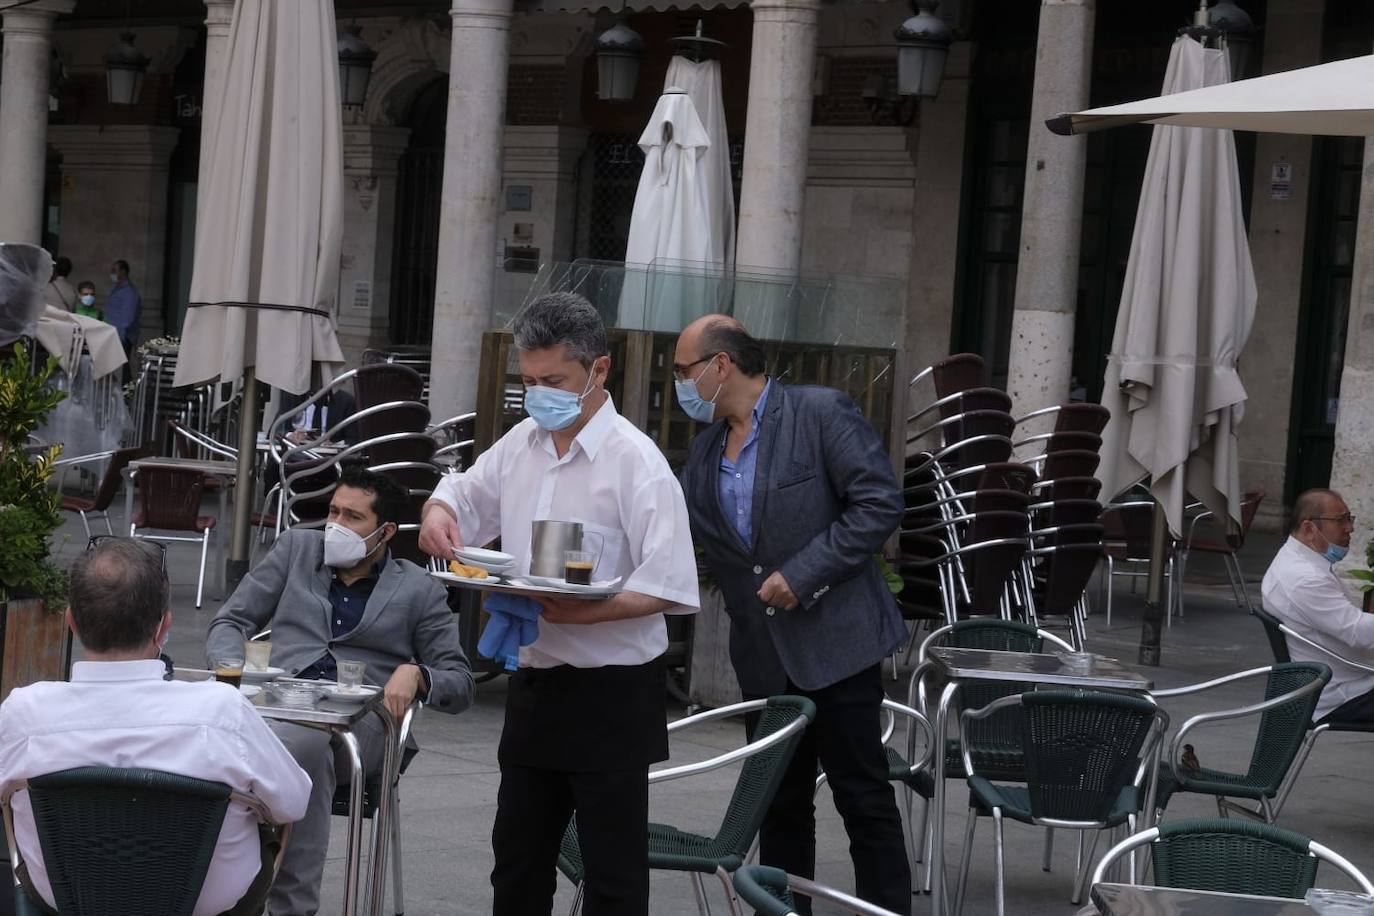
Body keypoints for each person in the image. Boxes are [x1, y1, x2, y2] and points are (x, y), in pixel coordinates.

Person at [417, 291, 699, 916]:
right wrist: (437, 512)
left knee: (613, 877)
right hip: (536, 680)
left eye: (554, 380)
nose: (538, 393)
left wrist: (585, 612)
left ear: (598, 371)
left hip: (615, 690)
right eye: (529, 380)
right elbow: (464, 495)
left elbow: (670, 585)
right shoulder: (523, 441)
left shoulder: (637, 464)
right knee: (516, 863)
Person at [674, 314, 911, 914]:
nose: (678, 382)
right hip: (763, 657)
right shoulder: (703, 451)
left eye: (683, 370)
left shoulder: (820, 413)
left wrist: (802, 576)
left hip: (838, 648)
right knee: (779, 806)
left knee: (863, 799)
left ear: (719, 365)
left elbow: (879, 502)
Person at [208, 468, 475, 916]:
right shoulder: (296, 549)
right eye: (333, 511)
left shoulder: (418, 588)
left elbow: (461, 682)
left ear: (385, 531)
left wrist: (418, 674)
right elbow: (230, 622)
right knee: (231, 736)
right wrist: (232, 672)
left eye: (352, 517)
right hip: (277, 704)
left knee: (304, 745)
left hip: (360, 723)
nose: (336, 525)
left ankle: (288, 906)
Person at [0, 539, 311, 916]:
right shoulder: (222, 711)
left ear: (71, 622)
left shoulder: (24, 713)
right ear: (163, 626)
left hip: (66, 903)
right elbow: (293, 802)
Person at [1261, 488, 1374, 724]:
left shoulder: (1294, 560)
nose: (1350, 528)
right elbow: (1358, 632)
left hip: (1344, 679)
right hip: (1344, 694)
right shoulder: (1304, 578)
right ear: (1309, 529)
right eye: (1340, 520)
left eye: (1349, 518)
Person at [106, 259, 141, 380]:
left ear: (123, 271)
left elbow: (128, 319)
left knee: (122, 370)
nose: (112, 273)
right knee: (118, 369)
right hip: (114, 334)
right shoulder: (117, 289)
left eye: (114, 270)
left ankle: (126, 395)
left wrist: (118, 335)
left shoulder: (129, 292)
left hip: (121, 336)